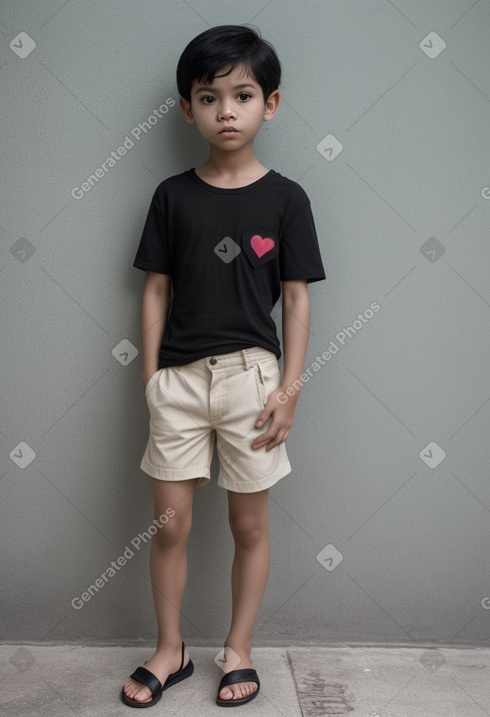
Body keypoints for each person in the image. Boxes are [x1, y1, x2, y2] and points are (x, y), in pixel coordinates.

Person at [121, 24, 326, 708]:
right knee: (170, 524)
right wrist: (151, 378)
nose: (226, 111)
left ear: (271, 103)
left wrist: (289, 391)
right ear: (188, 109)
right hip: (178, 381)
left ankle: (238, 647)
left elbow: (295, 299)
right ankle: (169, 647)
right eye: (210, 97)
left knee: (249, 526)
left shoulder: (287, 199)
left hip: (254, 381)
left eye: (243, 95)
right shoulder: (172, 196)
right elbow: (154, 287)